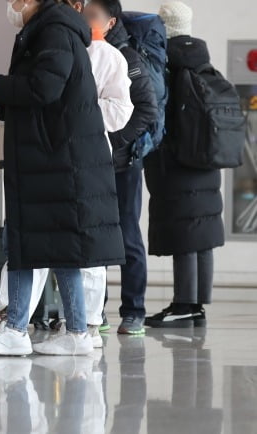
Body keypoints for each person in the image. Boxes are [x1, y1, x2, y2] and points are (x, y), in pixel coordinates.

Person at [0, 0, 125, 357]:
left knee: (27, 240)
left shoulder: (53, 30)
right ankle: (78, 332)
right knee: (59, 246)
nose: (14, 3)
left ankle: (17, 328)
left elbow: (43, 88)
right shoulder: (52, 29)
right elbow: (40, 96)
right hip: (53, 156)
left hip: (52, 157)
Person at [144, 1, 224, 328]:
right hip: (207, 160)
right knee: (202, 233)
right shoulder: (203, 63)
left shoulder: (167, 63)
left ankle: (183, 305)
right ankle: (197, 305)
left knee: (184, 234)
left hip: (178, 162)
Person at [85, 0, 158, 335]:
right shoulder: (87, 52)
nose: (85, 20)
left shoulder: (127, 58)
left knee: (127, 235)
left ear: (111, 22)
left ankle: (134, 311)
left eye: (92, 16)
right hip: (95, 161)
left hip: (123, 161)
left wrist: (114, 143)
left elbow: (146, 110)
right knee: (95, 236)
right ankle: (95, 310)